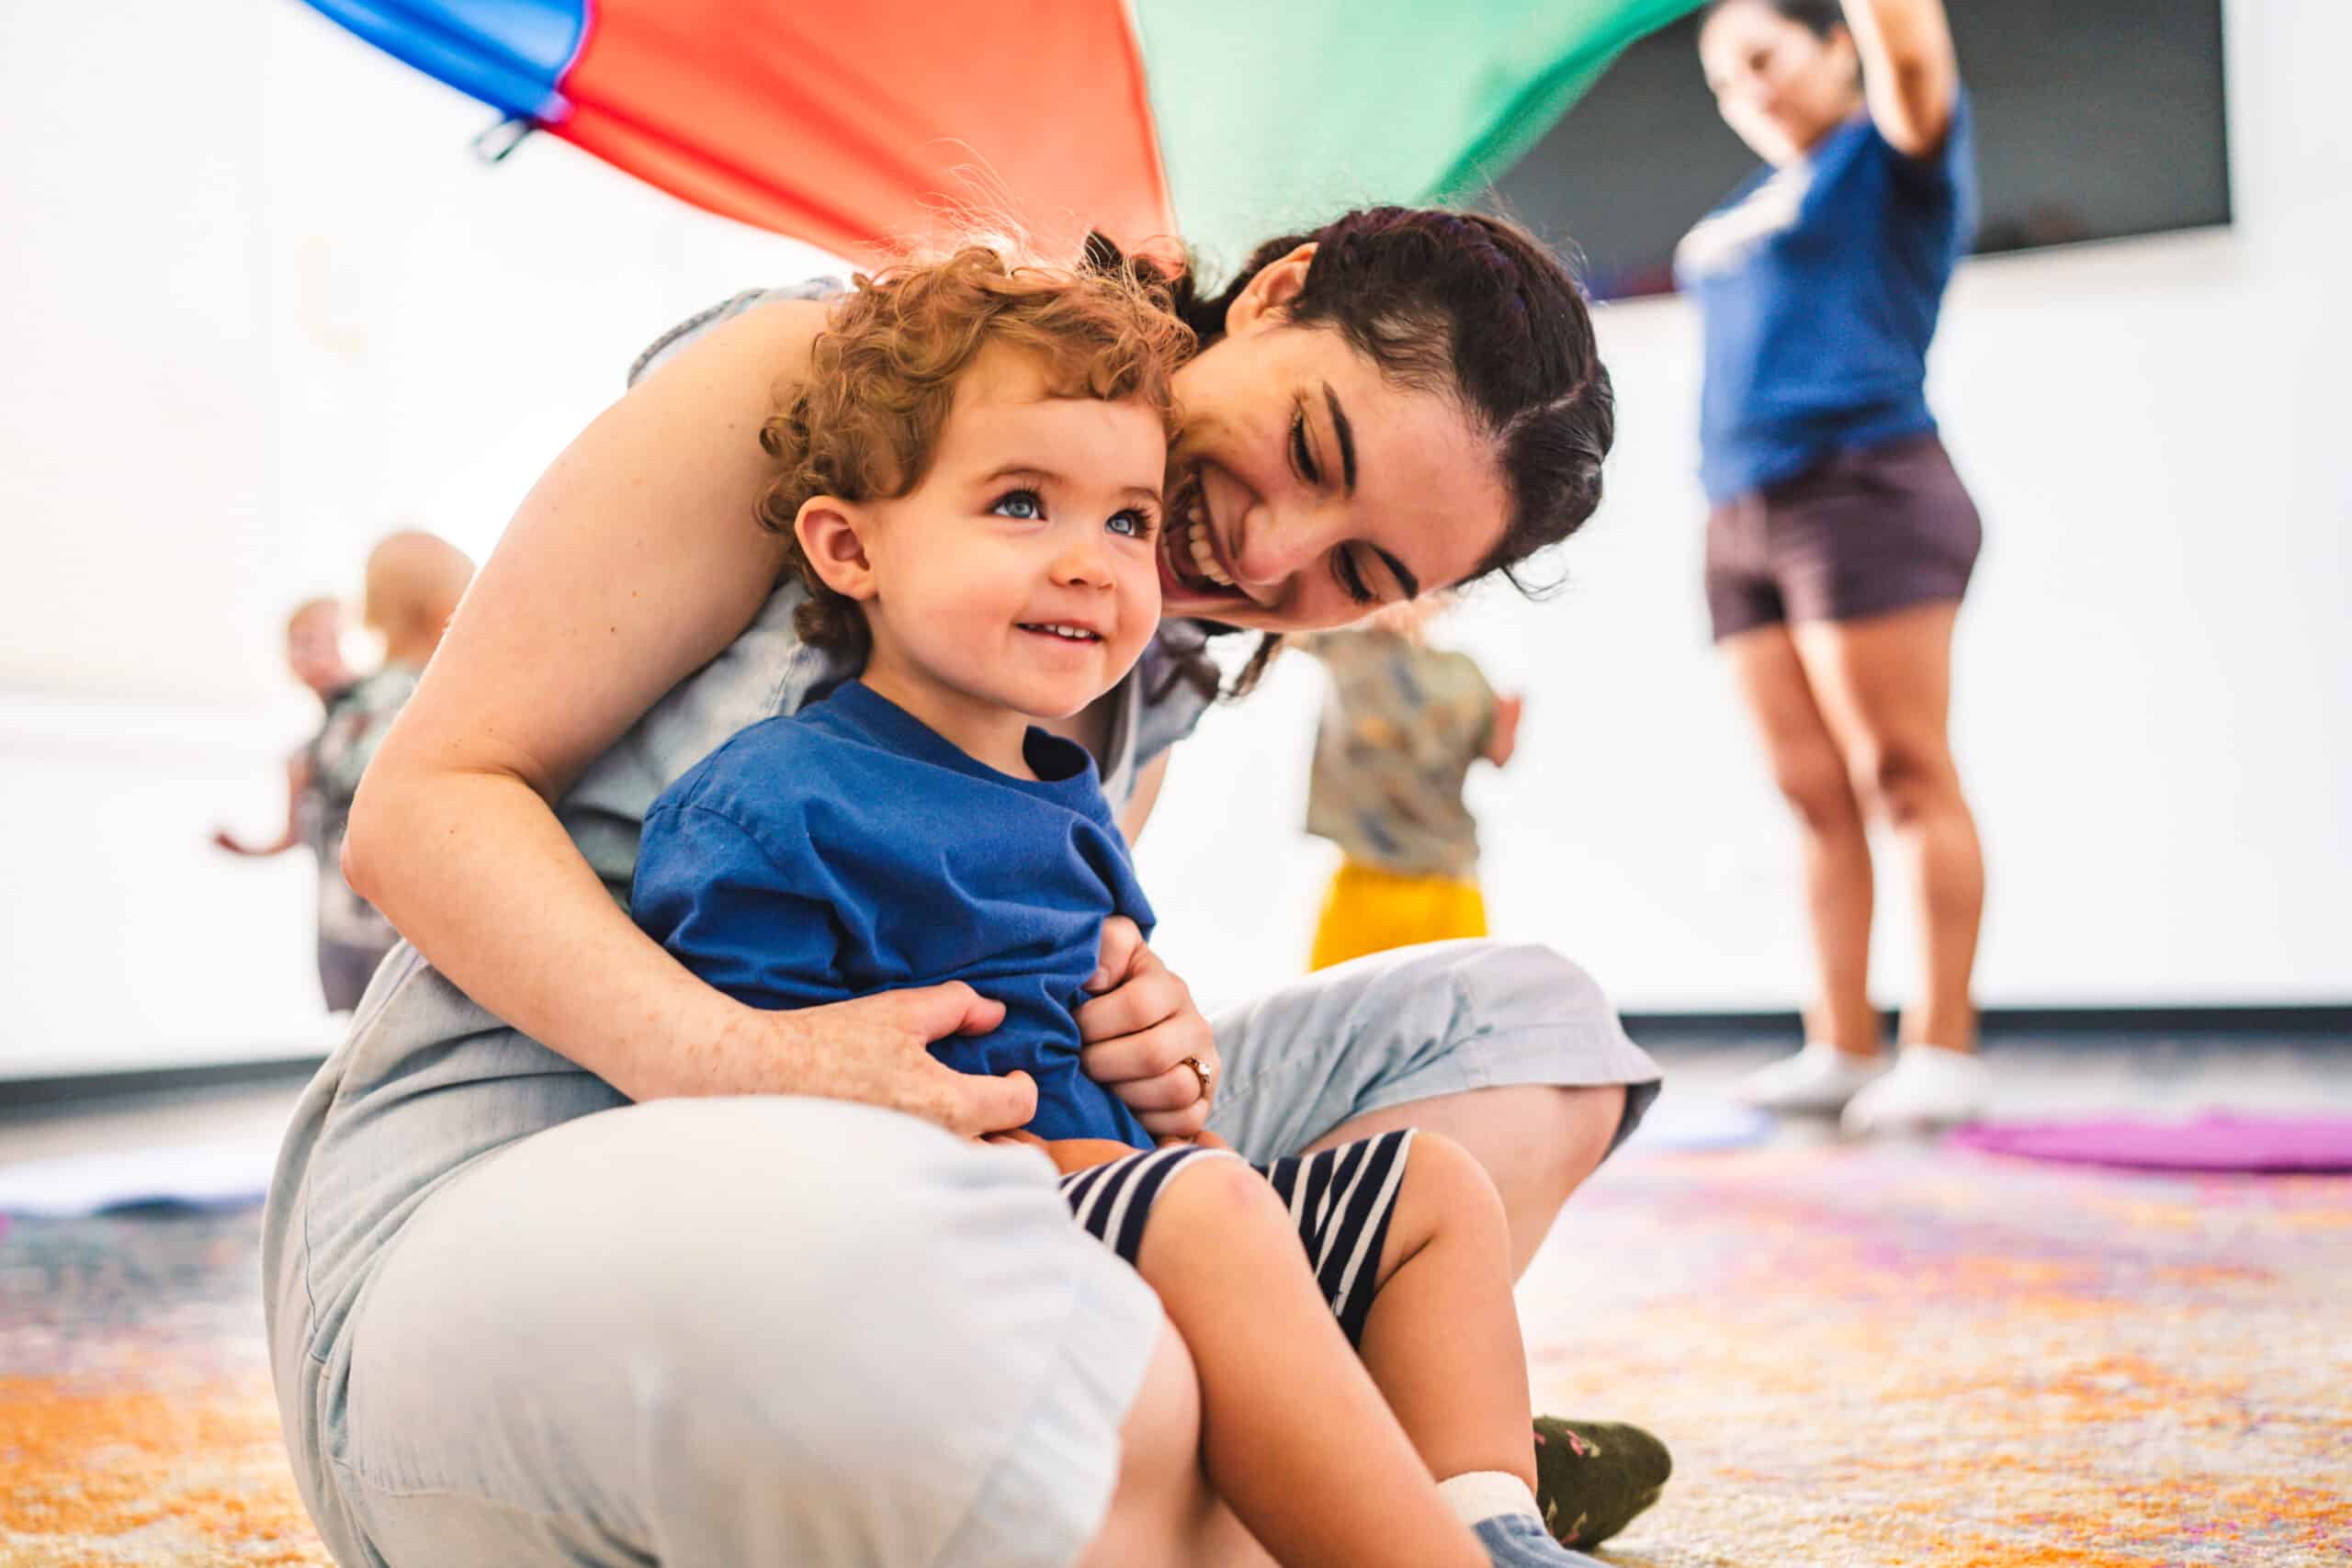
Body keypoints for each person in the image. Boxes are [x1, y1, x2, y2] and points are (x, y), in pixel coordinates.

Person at [263, 206, 1664, 1568]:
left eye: (1358, 569)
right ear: (1282, 290)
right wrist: (751, 1058)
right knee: (1081, 1358)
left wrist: (1148, 1034)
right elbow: (417, 808)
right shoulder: (822, 382)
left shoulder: (1135, 664)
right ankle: (1348, 1474)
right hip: (531, 1211)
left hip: (950, 1163)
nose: (1271, 553)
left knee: (1533, 1035)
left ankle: (1328, 1472)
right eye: (1307, 444)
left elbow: (1013, 1003)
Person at [632, 247, 1605, 1567]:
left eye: (1127, 526)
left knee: (1431, 1187)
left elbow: (1104, 989)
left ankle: (1486, 1509)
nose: (1265, 553)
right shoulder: (774, 798)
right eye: (1026, 506)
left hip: (1115, 1180)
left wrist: (1165, 1040)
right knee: (1210, 1209)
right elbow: (751, 1098)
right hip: (967, 1193)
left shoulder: (1073, 779)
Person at [1677, 0, 1990, 1134]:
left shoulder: (1885, 159)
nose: (1746, 91)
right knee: (1809, 796)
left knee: (1903, 773)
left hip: (1864, 490)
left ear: (1833, 47)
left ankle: (1943, 1048)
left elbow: (1912, 46)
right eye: (1721, 84)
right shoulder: (1743, 210)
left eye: (1762, 58)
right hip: (1740, 510)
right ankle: (1842, 1043)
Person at [214, 533, 471, 1009]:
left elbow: (320, 813)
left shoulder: (345, 712)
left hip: (343, 929)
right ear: (447, 615)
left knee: (360, 1044)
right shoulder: (430, 704)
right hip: (401, 936)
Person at [1297, 594, 1522, 971]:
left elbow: (1496, 754)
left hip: (1446, 876)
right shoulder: (1348, 647)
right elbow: (1281, 628)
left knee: (1456, 1008)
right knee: (1332, 1006)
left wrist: (1508, 727)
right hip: (1364, 869)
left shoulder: (1462, 673)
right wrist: (1357, 609)